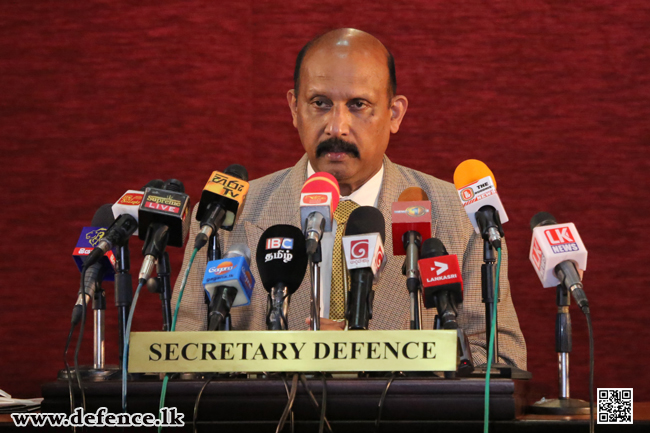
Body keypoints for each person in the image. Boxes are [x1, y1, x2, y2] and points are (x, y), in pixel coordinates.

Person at [171, 28, 527, 369]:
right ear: (295, 108)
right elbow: (181, 351)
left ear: (394, 114)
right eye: (320, 103)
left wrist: (355, 350)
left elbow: (499, 359)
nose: (336, 126)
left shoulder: (461, 217)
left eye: (358, 105)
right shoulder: (225, 216)